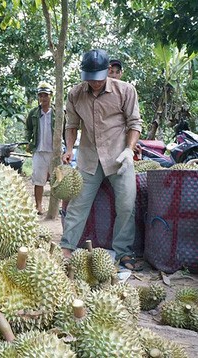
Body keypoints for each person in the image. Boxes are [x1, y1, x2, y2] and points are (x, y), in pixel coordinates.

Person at [60, 49, 143, 271]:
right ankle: (66, 247)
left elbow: (135, 124)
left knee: (126, 204)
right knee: (78, 205)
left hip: (119, 157)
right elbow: (72, 126)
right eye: (90, 78)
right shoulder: (75, 94)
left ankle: (123, 251)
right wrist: (69, 149)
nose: (94, 84)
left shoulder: (125, 91)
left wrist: (129, 149)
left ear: (108, 71)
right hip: (88, 158)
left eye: (98, 78)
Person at [25, 81, 55, 215]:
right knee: (39, 180)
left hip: (55, 151)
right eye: (40, 96)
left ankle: (54, 208)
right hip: (39, 150)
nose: (43, 98)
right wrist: (28, 142)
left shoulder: (58, 112)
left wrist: (67, 148)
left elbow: (66, 129)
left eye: (45, 95)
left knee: (58, 180)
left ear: (51, 96)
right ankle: (38, 205)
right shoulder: (34, 113)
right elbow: (28, 129)